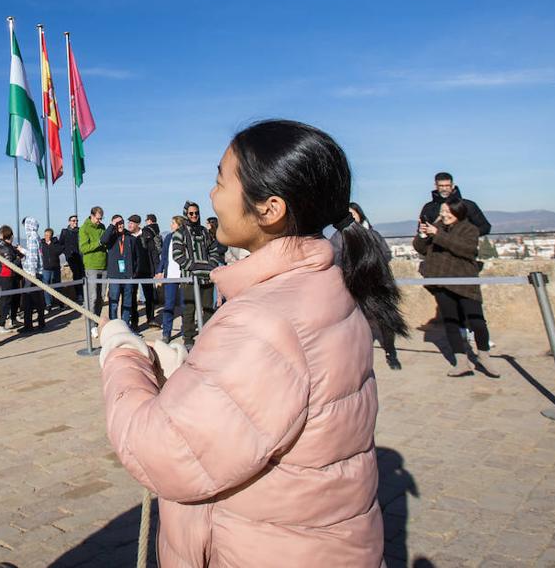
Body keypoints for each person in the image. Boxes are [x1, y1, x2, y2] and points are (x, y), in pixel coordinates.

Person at [98, 119, 405, 566]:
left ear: (270, 209)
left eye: (221, 180)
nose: (212, 196)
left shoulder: (262, 320)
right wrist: (192, 374)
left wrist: (122, 354)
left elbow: (163, 452)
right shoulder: (329, 283)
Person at [414, 200, 498, 377]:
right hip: (442, 282)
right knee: (451, 322)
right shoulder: (437, 227)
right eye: (442, 211)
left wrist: (438, 234)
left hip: (465, 283)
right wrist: (422, 236)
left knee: (477, 322)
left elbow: (466, 250)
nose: (444, 214)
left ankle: (483, 356)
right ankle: (461, 362)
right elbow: (421, 249)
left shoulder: (469, 229)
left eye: (447, 211)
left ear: (458, 212)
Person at [332, 202, 403, 370]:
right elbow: (336, 259)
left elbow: (386, 253)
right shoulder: (338, 237)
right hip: (355, 286)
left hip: (378, 283)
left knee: (386, 321)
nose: (352, 216)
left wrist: (371, 265)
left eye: (353, 213)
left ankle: (390, 352)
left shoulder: (373, 234)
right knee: (359, 323)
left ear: (359, 214)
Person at [172, 201, 222, 348]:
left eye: (196, 213)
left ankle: (207, 336)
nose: (194, 216)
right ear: (186, 214)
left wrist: (211, 264)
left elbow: (213, 249)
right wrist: (193, 266)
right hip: (189, 278)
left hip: (206, 277)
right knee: (189, 309)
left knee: (208, 309)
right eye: (191, 213)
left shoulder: (205, 231)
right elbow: (177, 255)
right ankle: (188, 339)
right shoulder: (179, 233)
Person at [101, 214, 145, 327]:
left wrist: (135, 272)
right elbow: (103, 240)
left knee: (127, 303)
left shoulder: (131, 238)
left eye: (121, 223)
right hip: (114, 276)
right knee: (114, 302)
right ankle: (114, 326)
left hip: (128, 276)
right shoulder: (110, 238)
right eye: (117, 223)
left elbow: (138, 257)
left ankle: (125, 326)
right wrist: (112, 225)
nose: (120, 225)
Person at [419, 172, 491, 235]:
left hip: (462, 248)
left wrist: (466, 236)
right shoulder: (428, 207)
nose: (444, 189)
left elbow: (485, 227)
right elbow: (422, 230)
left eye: (447, 185)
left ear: (452, 185)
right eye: (441, 186)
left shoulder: (468, 205)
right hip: (436, 249)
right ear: (436, 186)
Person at [156, 215, 186, 342]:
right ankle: (166, 333)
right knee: (169, 304)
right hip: (170, 275)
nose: (170, 225)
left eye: (173, 223)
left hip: (184, 274)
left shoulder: (186, 236)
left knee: (186, 304)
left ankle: (186, 331)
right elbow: (164, 257)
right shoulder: (168, 237)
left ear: (179, 224)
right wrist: (159, 271)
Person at [0, 225, 23, 333]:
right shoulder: (4, 247)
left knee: (15, 298)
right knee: (6, 300)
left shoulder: (6, 246)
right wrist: (19, 258)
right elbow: (10, 263)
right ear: (11, 235)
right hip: (7, 276)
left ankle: (13, 320)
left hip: (12, 276)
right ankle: (1, 325)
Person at [78, 206, 108, 318]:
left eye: (101, 218)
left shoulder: (102, 227)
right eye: (98, 218)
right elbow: (83, 248)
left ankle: (96, 320)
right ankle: (90, 324)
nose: (99, 221)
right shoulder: (84, 229)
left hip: (104, 265)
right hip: (91, 266)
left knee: (101, 296)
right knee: (93, 297)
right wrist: (99, 243)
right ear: (92, 216)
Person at [127, 215, 156, 327]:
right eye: (129, 222)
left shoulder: (147, 235)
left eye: (132, 223)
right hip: (133, 272)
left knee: (149, 296)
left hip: (146, 270)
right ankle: (134, 322)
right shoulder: (127, 236)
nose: (129, 225)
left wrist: (157, 269)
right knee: (132, 297)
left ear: (138, 224)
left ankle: (151, 319)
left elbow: (153, 252)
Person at [138, 214, 162, 326]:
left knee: (147, 291)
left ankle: (147, 313)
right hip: (155, 261)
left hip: (146, 263)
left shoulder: (146, 230)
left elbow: (146, 247)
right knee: (150, 288)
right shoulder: (156, 229)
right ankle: (151, 316)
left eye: (146, 220)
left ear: (149, 220)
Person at [60, 215, 84, 302]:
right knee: (77, 274)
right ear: (69, 222)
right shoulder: (65, 232)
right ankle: (79, 295)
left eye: (76, 221)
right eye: (73, 221)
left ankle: (83, 294)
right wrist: (67, 252)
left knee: (82, 274)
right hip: (71, 257)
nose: (75, 222)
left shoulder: (80, 231)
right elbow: (61, 243)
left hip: (80, 256)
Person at [39, 228, 64, 310]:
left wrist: (51, 245)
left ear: (51, 236)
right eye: (45, 235)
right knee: (46, 287)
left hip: (55, 267)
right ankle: (48, 304)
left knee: (57, 286)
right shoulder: (41, 244)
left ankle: (61, 303)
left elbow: (59, 251)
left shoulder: (56, 243)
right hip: (46, 268)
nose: (46, 237)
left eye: (48, 235)